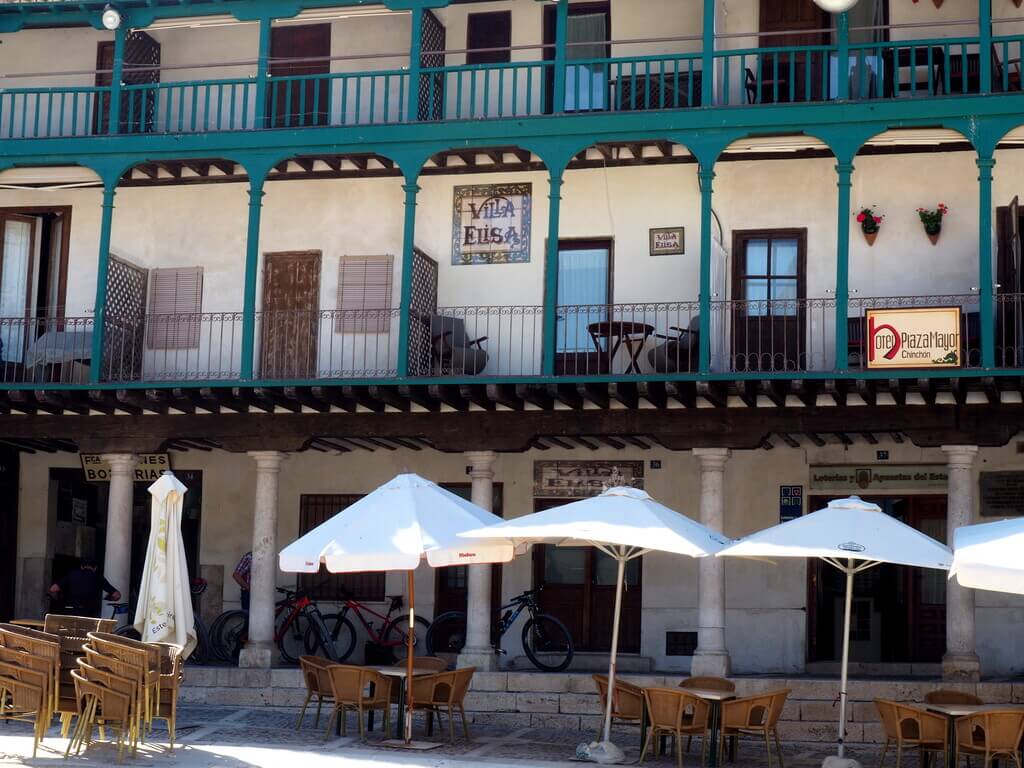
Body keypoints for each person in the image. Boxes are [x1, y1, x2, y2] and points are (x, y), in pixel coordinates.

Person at [48, 558, 121, 618]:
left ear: (81, 567)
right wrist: (109, 598)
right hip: (88, 614)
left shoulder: (72, 574)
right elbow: (117, 595)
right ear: (95, 568)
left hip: (70, 611)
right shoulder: (98, 577)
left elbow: (53, 589)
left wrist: (58, 599)